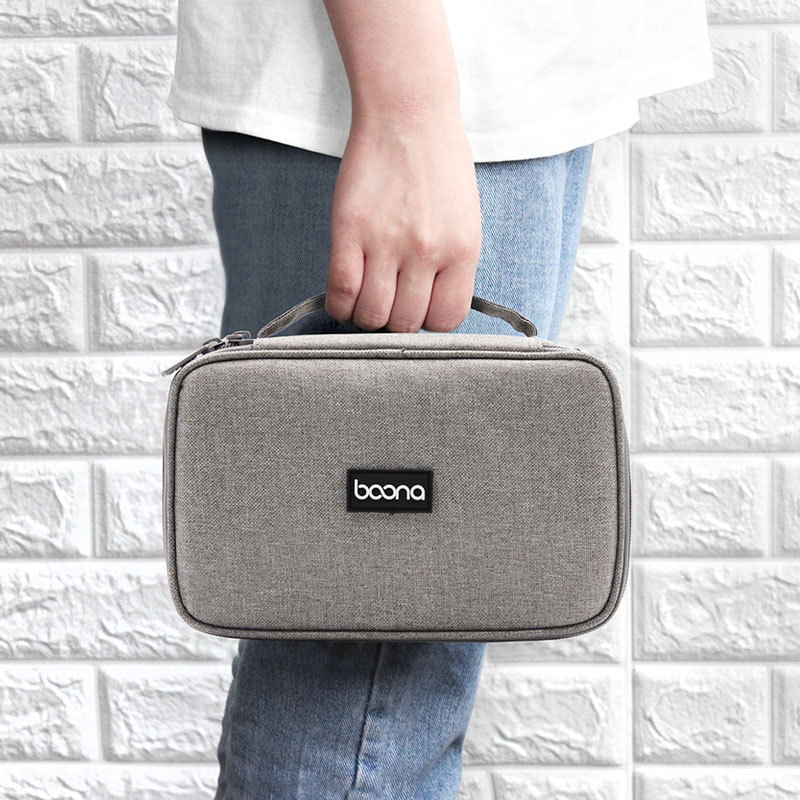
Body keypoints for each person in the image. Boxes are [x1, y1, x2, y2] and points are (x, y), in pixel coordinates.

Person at [167, 1, 713, 797]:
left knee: (390, 680)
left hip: (494, 86)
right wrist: (406, 115)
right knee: (362, 688)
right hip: (416, 83)